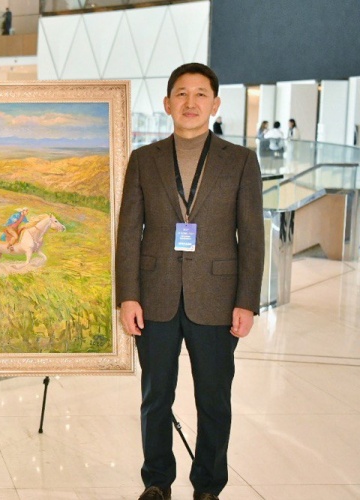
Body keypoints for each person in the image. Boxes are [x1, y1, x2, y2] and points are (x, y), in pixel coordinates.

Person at [116, 63, 264, 500]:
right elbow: (129, 231)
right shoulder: (144, 159)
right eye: (181, 93)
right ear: (167, 104)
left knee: (214, 399)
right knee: (155, 396)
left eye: (201, 94)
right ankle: (157, 481)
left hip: (217, 297)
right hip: (155, 295)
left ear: (215, 104)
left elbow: (251, 237)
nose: (191, 102)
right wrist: (128, 296)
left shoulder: (240, 161)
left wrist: (247, 301)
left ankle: (208, 486)